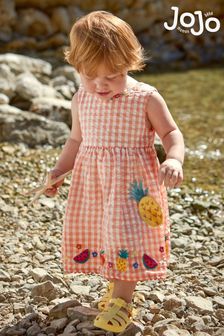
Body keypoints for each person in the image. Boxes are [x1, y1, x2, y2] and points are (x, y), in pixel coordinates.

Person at [44, 10, 185, 333]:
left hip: (133, 186)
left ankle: (123, 299)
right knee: (105, 234)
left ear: (130, 63)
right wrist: (59, 170)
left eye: (112, 75)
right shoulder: (82, 99)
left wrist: (174, 159)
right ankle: (115, 286)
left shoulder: (146, 98)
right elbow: (76, 139)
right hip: (95, 185)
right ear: (76, 67)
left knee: (128, 236)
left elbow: (171, 134)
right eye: (90, 75)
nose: (100, 84)